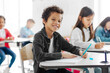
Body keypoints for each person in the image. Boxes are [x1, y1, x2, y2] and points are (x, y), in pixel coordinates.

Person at [32, 6, 87, 73]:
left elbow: (70, 48)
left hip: (57, 69)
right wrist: (62, 55)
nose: (57, 23)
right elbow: (39, 56)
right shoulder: (38, 36)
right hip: (44, 71)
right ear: (44, 20)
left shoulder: (57, 36)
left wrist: (80, 52)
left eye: (59, 21)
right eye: (53, 19)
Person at [70, 6, 104, 73]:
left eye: (91, 19)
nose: (90, 22)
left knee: (99, 67)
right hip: (77, 57)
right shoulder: (76, 30)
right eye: (88, 19)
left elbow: (89, 41)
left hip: (85, 57)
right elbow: (77, 43)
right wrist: (94, 46)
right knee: (95, 69)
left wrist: (97, 45)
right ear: (80, 18)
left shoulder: (87, 29)